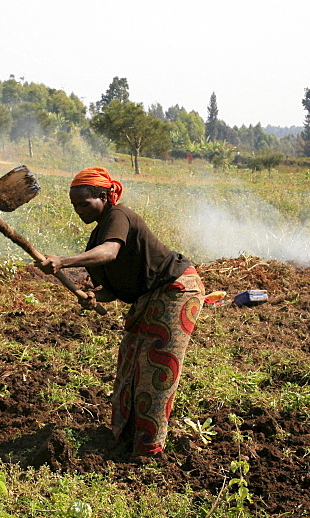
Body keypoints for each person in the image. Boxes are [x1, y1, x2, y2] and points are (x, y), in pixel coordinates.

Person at [38, 167, 204, 457]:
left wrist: (63, 261)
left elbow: (111, 252)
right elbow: (111, 289)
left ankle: (149, 448)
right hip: (146, 299)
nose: (78, 210)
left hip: (175, 289)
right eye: (74, 205)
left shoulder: (118, 216)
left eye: (84, 203)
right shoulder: (95, 240)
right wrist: (93, 296)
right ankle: (125, 436)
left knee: (157, 366)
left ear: (104, 196)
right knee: (130, 364)